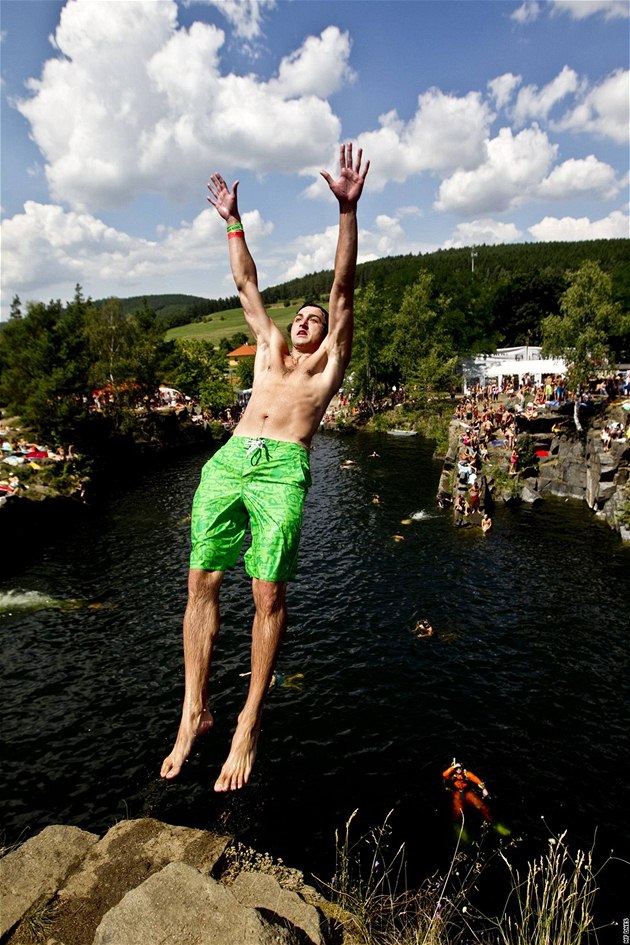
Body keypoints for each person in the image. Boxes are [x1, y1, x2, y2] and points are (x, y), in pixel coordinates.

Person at [161, 143, 370, 792]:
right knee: (201, 580)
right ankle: (194, 709)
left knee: (267, 593)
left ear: (329, 334)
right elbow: (246, 284)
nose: (306, 320)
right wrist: (232, 219)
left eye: (315, 318)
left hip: (282, 468)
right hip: (230, 458)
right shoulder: (270, 349)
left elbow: (341, 287)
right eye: (300, 315)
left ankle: (247, 720)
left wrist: (347, 211)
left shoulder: (329, 365)